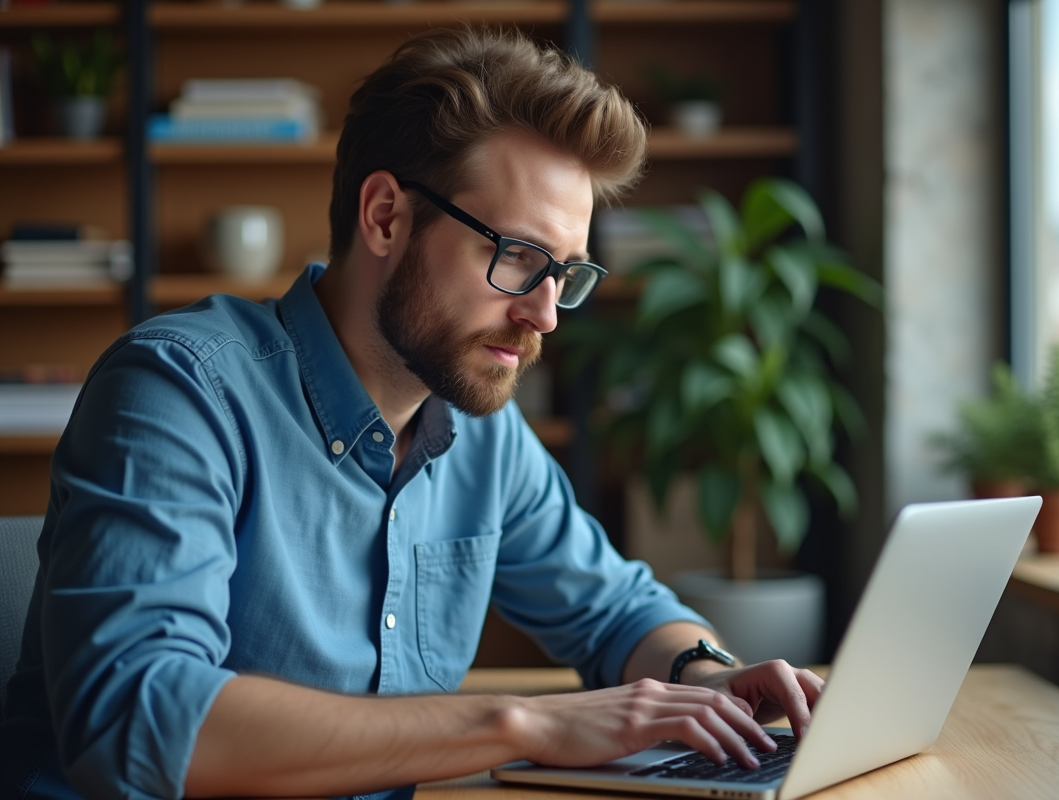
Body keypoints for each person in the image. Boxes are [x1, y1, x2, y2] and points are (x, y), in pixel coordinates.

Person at [0, 27, 823, 800]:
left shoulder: (480, 429)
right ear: (386, 215)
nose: (545, 316)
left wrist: (705, 678)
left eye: (565, 274)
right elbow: (138, 720)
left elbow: (618, 611)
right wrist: (522, 723)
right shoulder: (179, 391)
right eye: (516, 257)